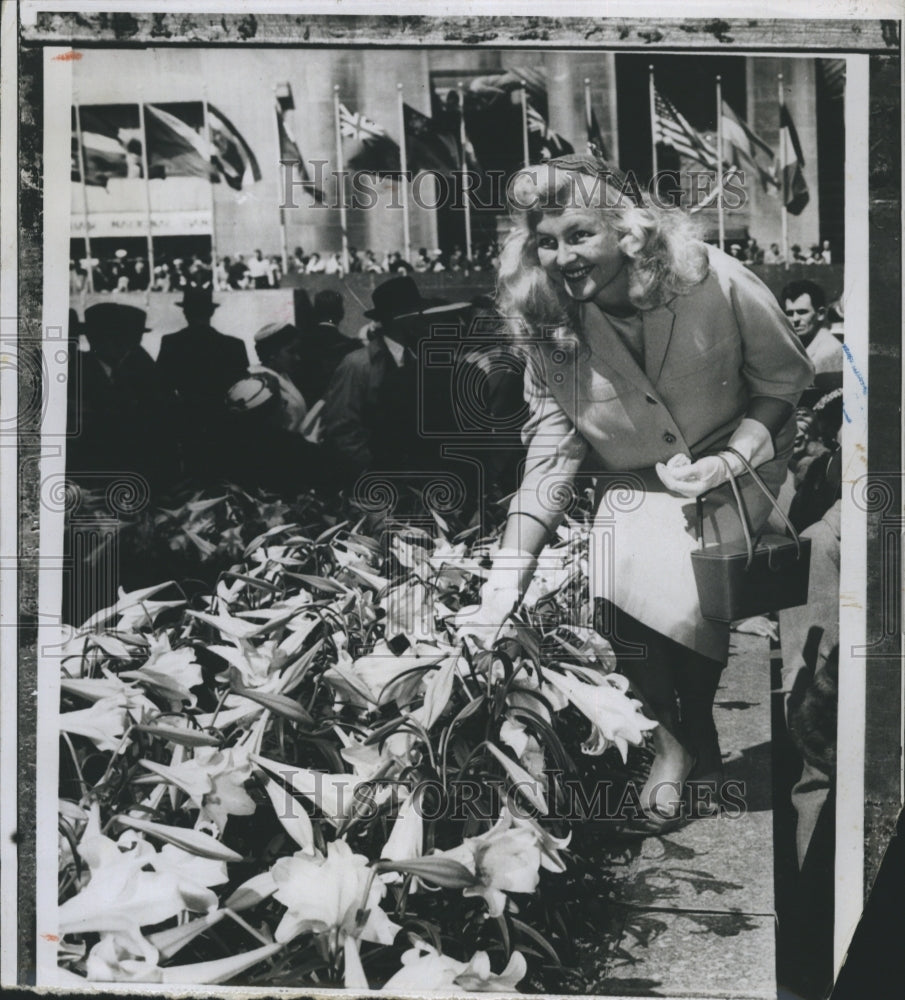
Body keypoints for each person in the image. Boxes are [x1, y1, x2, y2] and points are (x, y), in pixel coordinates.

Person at [460, 154, 814, 833]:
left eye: (577, 235)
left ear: (624, 232)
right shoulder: (546, 318)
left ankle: (684, 742)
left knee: (685, 587)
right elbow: (550, 457)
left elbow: (781, 383)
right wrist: (504, 579)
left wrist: (730, 460)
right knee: (618, 583)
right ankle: (678, 743)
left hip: (737, 469)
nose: (561, 255)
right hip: (631, 482)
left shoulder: (714, 278)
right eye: (546, 239)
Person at [320, 275, 468, 481]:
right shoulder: (358, 365)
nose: (423, 320)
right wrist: (373, 471)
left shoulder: (418, 357)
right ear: (400, 318)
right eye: (418, 314)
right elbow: (342, 428)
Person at [70, 302, 181, 493]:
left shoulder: (138, 365)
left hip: (133, 475)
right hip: (91, 476)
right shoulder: (76, 370)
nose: (127, 347)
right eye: (122, 340)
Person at [155, 286, 249, 470]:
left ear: (185, 312)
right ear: (212, 311)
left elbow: (161, 386)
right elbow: (242, 388)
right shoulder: (234, 345)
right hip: (227, 421)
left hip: (189, 421)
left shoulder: (172, 343)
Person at [295, 289, 362, 407]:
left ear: (315, 313)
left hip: (306, 408)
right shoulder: (352, 346)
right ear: (341, 314)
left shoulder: (299, 345)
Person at [249, 322, 309, 433]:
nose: (298, 358)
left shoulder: (283, 375)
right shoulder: (260, 384)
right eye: (291, 352)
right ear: (272, 353)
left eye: (298, 351)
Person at [781, 279, 844, 381]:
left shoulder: (828, 353)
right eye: (789, 313)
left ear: (821, 314)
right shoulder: (796, 346)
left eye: (802, 312)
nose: (795, 319)